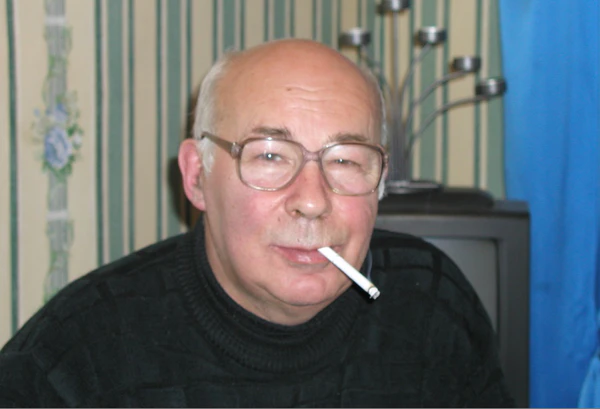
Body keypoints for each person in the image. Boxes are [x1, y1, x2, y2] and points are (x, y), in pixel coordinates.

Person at [0, 39, 514, 407]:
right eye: (269, 156)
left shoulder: (432, 303)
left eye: (345, 160)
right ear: (197, 177)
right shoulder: (69, 363)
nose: (311, 202)